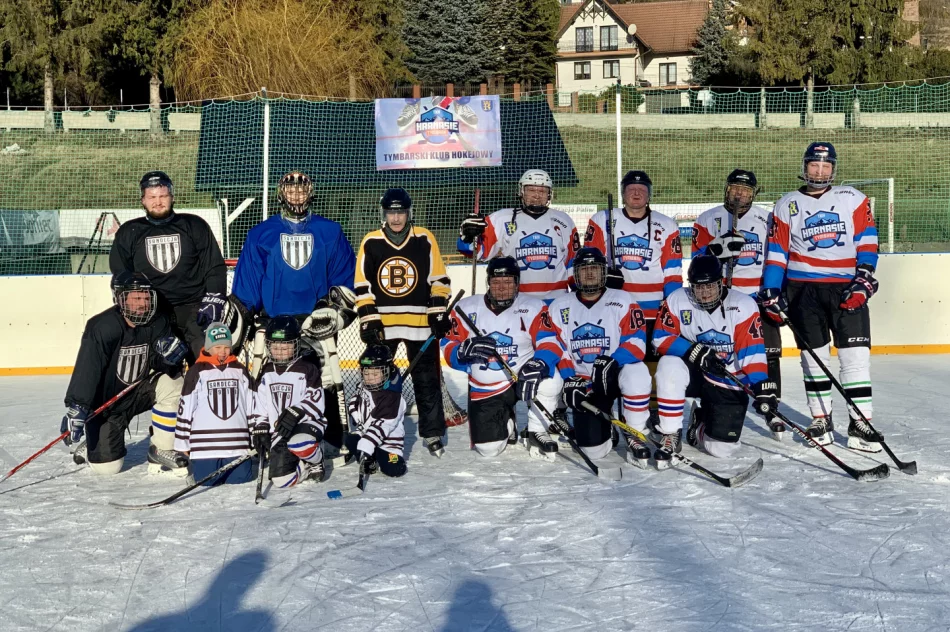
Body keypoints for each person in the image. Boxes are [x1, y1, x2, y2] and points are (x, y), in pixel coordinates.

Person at [758, 142, 881, 451]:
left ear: (833, 170)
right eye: (815, 165)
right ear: (805, 166)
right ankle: (821, 420)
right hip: (803, 291)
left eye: (826, 166)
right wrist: (772, 289)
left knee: (855, 358)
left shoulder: (852, 198)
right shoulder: (786, 204)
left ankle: (860, 423)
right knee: (813, 359)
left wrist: (863, 277)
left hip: (844, 288)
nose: (820, 171)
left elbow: (867, 240)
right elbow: (776, 253)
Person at [227, 171, 356, 451]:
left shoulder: (330, 231)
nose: (296, 195)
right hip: (274, 323)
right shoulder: (261, 234)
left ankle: (332, 436)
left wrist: (333, 310)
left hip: (315, 322)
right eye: (291, 190)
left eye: (301, 190)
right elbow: (248, 282)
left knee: (323, 378)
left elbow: (344, 281)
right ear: (280, 193)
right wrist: (244, 316)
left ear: (310, 193)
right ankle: (263, 434)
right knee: (267, 381)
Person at [354, 188, 452, 458]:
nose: (396, 218)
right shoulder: (371, 241)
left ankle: (432, 432)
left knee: (427, 379)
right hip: (384, 326)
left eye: (400, 212)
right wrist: (370, 319)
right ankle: (370, 425)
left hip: (419, 324)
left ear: (409, 212)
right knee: (375, 379)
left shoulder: (424, 238)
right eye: (391, 212)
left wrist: (438, 311)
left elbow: (439, 280)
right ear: (383, 214)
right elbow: (362, 284)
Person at [62, 271, 188, 476]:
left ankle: (162, 448)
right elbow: (88, 369)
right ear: (120, 298)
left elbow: (159, 360)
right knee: (108, 469)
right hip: (107, 405)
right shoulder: (102, 326)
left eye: (146, 297)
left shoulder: (158, 322)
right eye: (136, 298)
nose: (143, 303)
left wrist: (170, 359)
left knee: (173, 382)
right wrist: (78, 406)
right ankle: (93, 439)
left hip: (137, 392)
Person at [441, 257, 568, 460]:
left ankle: (536, 431)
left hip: (524, 378)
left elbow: (551, 342)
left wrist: (539, 363)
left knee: (551, 379)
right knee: (488, 450)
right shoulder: (466, 308)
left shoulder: (534, 307)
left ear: (517, 283)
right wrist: (461, 351)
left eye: (508, 282)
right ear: (488, 282)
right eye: (496, 282)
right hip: (488, 387)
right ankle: (508, 421)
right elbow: (447, 344)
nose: (501, 287)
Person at [653, 256, 774, 462]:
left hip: (726, 378)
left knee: (722, 449)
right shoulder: (677, 299)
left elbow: (751, 352)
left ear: (721, 282)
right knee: (668, 364)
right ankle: (670, 432)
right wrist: (695, 351)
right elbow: (659, 338)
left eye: (710, 286)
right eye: (698, 287)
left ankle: (698, 427)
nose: (705, 292)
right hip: (694, 373)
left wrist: (761, 385)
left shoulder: (743, 305)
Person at [692, 169, 784, 439]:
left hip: (757, 298)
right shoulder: (708, 219)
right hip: (721, 299)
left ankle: (771, 406)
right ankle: (705, 407)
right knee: (715, 354)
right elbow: (698, 260)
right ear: (726, 188)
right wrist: (716, 250)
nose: (740, 193)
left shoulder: (767, 219)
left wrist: (774, 291)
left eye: (745, 190)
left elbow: (776, 257)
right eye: (735, 187)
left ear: (754, 193)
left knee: (769, 353)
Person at [547, 248, 654, 467]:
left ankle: (635, 431)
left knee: (638, 371)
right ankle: (607, 428)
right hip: (585, 383)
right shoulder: (559, 306)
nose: (589, 274)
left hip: (616, 374)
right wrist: (570, 379)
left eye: (594, 269)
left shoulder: (623, 300)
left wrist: (613, 361)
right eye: (584, 269)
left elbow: (637, 343)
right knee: (594, 451)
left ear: (603, 272)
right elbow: (558, 348)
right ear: (575, 274)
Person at [110, 171, 227, 361]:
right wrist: (139, 311)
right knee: (160, 365)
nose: (158, 202)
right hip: (152, 312)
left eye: (163, 196)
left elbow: (214, 266)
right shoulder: (129, 232)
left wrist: (214, 299)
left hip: (194, 307)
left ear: (172, 197)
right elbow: (121, 275)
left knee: (206, 361)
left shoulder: (194, 225)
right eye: (152, 197)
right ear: (143, 200)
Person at [458, 169, 580, 303]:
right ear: (521, 191)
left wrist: (578, 292)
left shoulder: (563, 220)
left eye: (542, 191)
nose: (537, 196)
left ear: (550, 194)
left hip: (557, 300)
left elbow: (573, 263)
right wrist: (467, 236)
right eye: (531, 190)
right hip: (516, 301)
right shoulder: (502, 218)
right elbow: (474, 251)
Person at [249, 316, 329, 487]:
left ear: (296, 344)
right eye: (275, 346)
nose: (280, 351)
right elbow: (260, 404)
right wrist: (261, 426)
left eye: (285, 346)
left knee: (300, 442)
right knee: (281, 481)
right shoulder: (266, 371)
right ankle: (304, 465)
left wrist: (295, 412)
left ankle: (316, 460)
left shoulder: (307, 368)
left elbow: (317, 403)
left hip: (306, 424)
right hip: (281, 430)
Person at [174, 323, 255, 486]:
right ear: (208, 347)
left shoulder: (240, 370)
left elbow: (251, 405)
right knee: (207, 482)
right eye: (217, 347)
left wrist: (255, 436)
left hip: (237, 445)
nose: (222, 351)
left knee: (241, 481)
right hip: (205, 448)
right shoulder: (197, 371)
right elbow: (185, 408)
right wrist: (182, 444)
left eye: (226, 347)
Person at [345, 345, 408, 479]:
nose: (370, 378)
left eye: (375, 374)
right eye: (366, 373)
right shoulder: (364, 386)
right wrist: (355, 413)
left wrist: (367, 444)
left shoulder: (392, 397)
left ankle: (374, 454)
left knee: (395, 469)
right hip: (366, 434)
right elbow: (355, 399)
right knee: (349, 439)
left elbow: (382, 424)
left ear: (386, 372)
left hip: (388, 443)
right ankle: (370, 458)